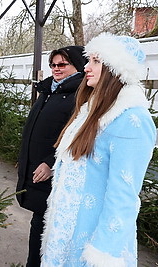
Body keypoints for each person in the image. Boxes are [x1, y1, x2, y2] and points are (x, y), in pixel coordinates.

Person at [40, 33, 156, 266]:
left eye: (95, 60)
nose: (86, 67)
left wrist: (102, 254)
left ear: (115, 68)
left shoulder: (131, 118)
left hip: (91, 245)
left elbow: (123, 196)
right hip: (64, 235)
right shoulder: (89, 110)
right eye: (89, 60)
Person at [16, 46, 87, 266]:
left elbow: (75, 139)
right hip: (34, 168)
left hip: (52, 176)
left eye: (62, 64)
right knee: (38, 224)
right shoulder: (49, 91)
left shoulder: (79, 96)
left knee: (44, 225)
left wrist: (50, 163)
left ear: (77, 66)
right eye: (53, 64)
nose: (56, 69)